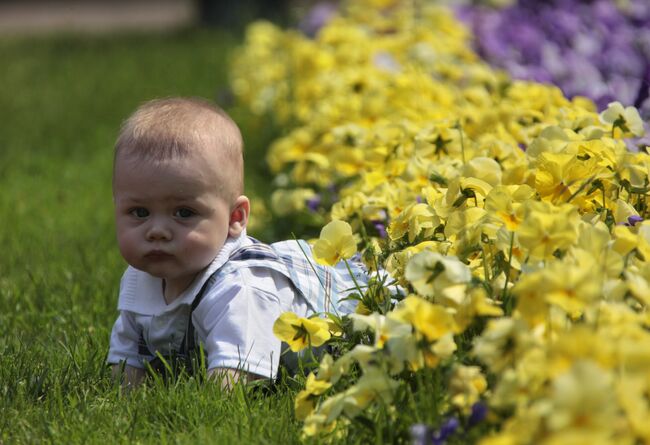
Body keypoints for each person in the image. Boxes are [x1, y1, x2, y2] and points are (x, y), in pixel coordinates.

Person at [107, 97, 363, 388]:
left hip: (362, 317)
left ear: (235, 218)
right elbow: (128, 363)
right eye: (139, 212)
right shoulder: (141, 277)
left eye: (184, 213)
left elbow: (232, 382)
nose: (157, 231)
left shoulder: (240, 288)